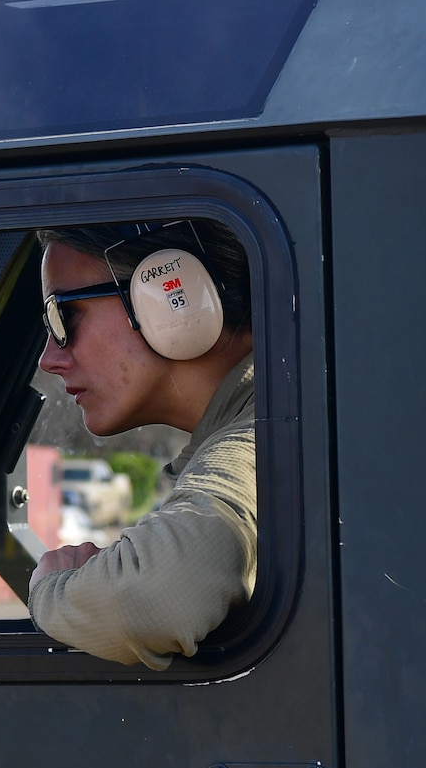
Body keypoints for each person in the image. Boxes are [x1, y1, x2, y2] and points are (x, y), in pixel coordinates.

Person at [27, 220, 256, 668]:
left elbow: (161, 591)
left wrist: (51, 589)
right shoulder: (271, 418)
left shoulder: (265, 433)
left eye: (64, 316)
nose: (49, 358)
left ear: (174, 294)